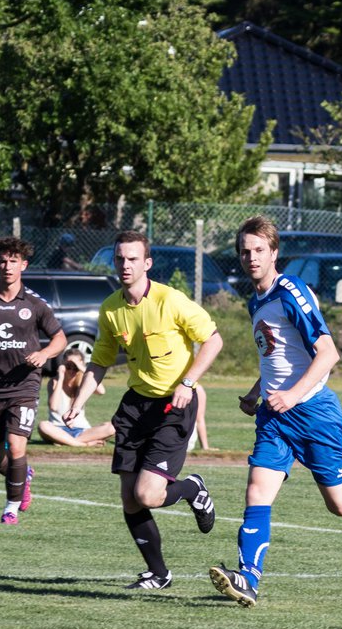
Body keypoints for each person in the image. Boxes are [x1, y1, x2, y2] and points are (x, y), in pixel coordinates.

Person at [208, 216, 342, 609]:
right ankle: (249, 577)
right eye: (244, 250)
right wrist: (256, 393)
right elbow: (276, 356)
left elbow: (328, 354)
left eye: (259, 250)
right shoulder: (254, 300)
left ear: (274, 253)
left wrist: (291, 395)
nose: (251, 257)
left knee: (340, 505)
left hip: (313, 412)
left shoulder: (290, 290)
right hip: (276, 417)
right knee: (257, 490)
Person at [63, 230, 223, 591]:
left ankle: (192, 489)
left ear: (147, 263)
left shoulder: (171, 300)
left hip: (174, 403)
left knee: (148, 494)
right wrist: (78, 403)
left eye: (133, 258)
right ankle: (159, 574)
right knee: (129, 499)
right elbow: (100, 362)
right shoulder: (111, 309)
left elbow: (213, 340)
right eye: (119, 258)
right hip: (136, 405)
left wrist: (189, 382)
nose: (125, 265)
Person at [0, 237, 67, 524]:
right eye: (3, 261)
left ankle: (11, 507)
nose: (7, 266)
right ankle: (23, 476)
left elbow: (59, 339)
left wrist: (44, 354)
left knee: (17, 446)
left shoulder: (34, 304)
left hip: (25, 385)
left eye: (13, 261)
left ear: (23, 265)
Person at [35, 348, 115, 447]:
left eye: (75, 367)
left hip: (82, 430)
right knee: (43, 425)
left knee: (112, 427)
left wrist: (82, 367)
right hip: (58, 429)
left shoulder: (83, 381)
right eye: (69, 366)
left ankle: (66, 442)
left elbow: (101, 391)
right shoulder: (54, 381)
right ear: (63, 365)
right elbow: (53, 407)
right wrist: (60, 378)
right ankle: (83, 444)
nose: (72, 370)